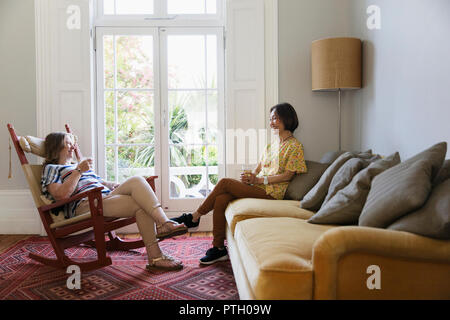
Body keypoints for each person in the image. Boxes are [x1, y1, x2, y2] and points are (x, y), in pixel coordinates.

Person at [172, 102, 307, 264]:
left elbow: (288, 175)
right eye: (270, 119)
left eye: (275, 119)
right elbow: (258, 169)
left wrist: (259, 180)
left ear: (287, 119)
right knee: (221, 198)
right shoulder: (272, 145)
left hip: (273, 193)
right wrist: (250, 176)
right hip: (259, 187)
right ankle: (219, 248)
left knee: (224, 183)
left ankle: (193, 217)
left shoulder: (295, 146)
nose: (271, 122)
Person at [41, 132, 188, 271]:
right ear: (56, 147)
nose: (73, 147)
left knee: (137, 181)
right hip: (86, 204)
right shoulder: (52, 168)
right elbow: (61, 195)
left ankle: (161, 236)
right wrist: (78, 171)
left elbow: (100, 182)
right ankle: (159, 241)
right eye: (68, 143)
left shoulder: (77, 166)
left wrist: (113, 185)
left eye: (73, 144)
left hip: (104, 197)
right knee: (141, 202)